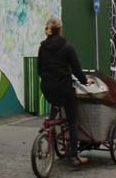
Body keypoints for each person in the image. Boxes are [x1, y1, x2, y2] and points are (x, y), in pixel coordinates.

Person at [37, 17, 94, 167]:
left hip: (47, 87)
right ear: (60, 30)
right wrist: (85, 81)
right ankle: (74, 156)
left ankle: (50, 125)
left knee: (55, 102)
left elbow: (39, 70)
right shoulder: (67, 47)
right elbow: (76, 70)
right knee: (72, 120)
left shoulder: (42, 48)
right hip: (63, 87)